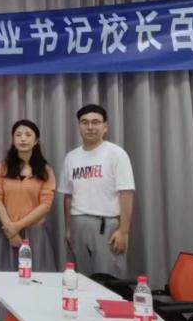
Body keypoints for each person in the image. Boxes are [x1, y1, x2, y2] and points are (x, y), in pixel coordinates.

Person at [57, 104, 135, 277]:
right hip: (78, 224)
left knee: (108, 279)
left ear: (105, 127)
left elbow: (126, 194)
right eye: (85, 122)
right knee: (81, 279)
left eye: (95, 122)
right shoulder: (71, 157)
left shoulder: (116, 154)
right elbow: (68, 196)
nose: (90, 127)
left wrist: (123, 231)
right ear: (79, 126)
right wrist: (68, 229)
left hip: (106, 225)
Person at [0, 119, 57, 276]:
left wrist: (17, 226)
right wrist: (11, 230)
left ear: (36, 141)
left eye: (28, 135)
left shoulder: (46, 170)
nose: (23, 139)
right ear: (13, 139)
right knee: (6, 279)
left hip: (35, 234)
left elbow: (45, 205)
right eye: (18, 135)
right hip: (7, 233)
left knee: (36, 279)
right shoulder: (3, 167)